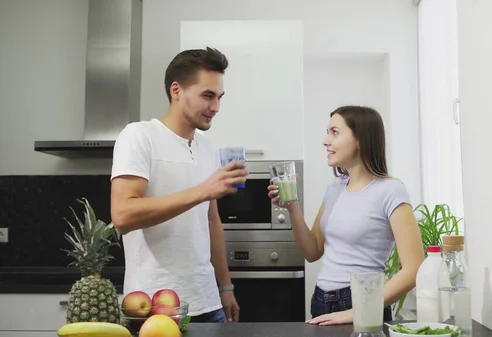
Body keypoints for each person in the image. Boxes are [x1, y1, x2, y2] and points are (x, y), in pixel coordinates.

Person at [110, 47, 247, 323]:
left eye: (219, 97)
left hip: (209, 302)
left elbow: (211, 222)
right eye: (207, 96)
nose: (216, 107)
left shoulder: (208, 148)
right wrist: (202, 191)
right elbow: (123, 216)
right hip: (153, 307)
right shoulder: (139, 136)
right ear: (176, 91)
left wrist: (226, 286)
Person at [268, 105, 425, 326]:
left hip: (363, 301)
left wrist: (355, 312)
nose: (325, 140)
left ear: (360, 139)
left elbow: (414, 267)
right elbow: (312, 251)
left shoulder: (390, 190)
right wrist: (292, 208)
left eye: (334, 132)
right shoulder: (335, 188)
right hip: (321, 300)